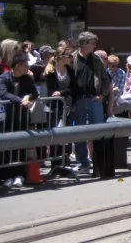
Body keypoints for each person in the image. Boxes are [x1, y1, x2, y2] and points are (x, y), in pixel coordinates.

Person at [0, 55, 40, 188]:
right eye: (25, 65)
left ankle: (20, 174)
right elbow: (4, 94)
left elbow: (35, 93)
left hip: (22, 117)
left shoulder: (27, 78)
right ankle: (6, 175)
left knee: (21, 146)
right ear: (18, 66)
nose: (28, 68)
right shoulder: (3, 78)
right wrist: (21, 100)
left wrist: (28, 96)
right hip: (6, 117)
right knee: (6, 147)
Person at [70, 31, 110, 171]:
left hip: (94, 99)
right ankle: (82, 161)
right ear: (84, 44)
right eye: (92, 43)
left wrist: (102, 96)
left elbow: (106, 80)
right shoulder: (72, 59)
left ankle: (99, 161)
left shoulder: (97, 59)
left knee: (98, 131)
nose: (94, 46)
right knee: (80, 132)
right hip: (78, 100)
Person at [45, 46, 74, 127]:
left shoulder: (70, 71)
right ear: (61, 56)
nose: (71, 58)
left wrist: (61, 92)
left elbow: (74, 88)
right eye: (69, 56)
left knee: (66, 135)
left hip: (67, 107)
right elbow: (52, 91)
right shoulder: (50, 71)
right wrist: (60, 93)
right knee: (54, 134)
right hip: (53, 108)